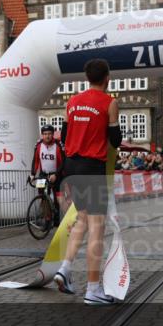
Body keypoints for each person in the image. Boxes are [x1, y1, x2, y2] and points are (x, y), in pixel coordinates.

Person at [55, 59, 121, 305]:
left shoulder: (71, 102)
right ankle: (93, 290)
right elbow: (115, 139)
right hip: (92, 167)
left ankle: (65, 268)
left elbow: (64, 135)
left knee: (81, 219)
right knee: (97, 226)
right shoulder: (109, 102)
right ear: (107, 78)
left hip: (71, 167)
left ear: (87, 78)